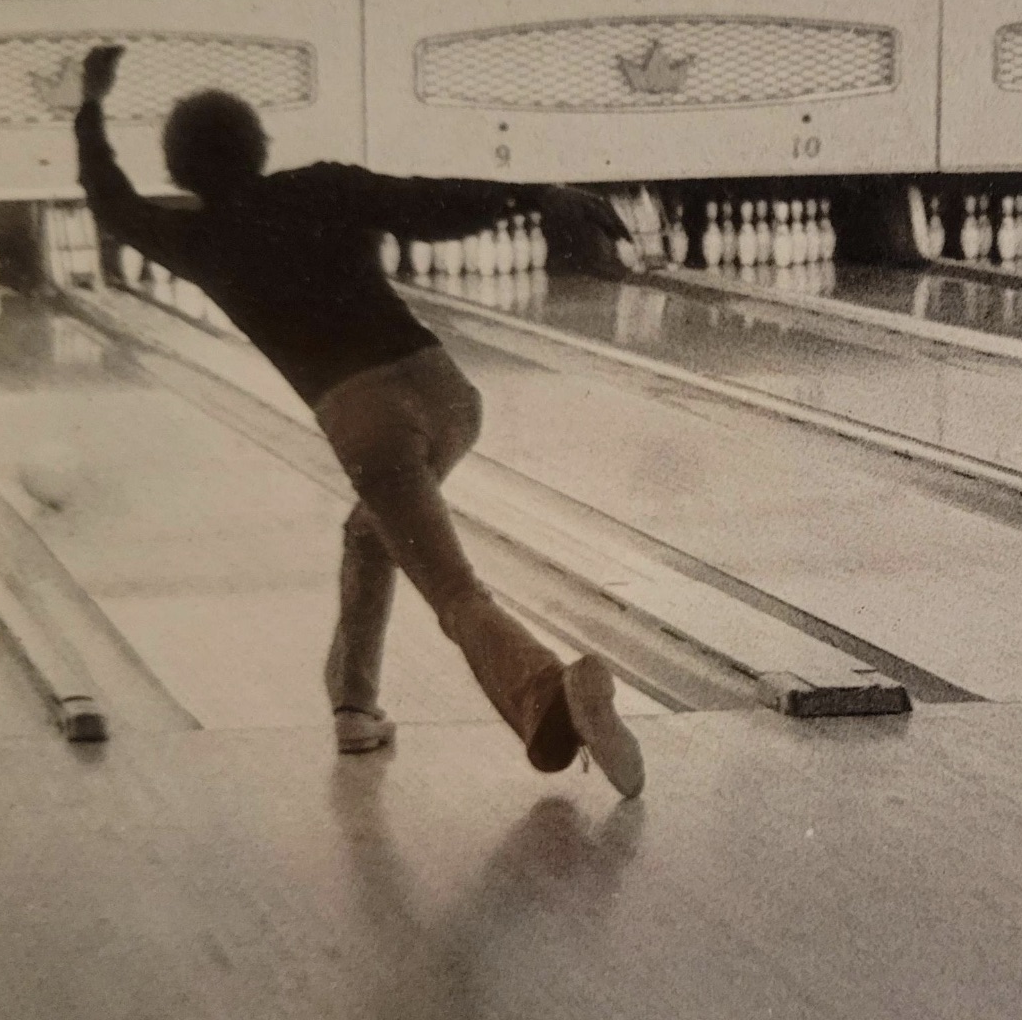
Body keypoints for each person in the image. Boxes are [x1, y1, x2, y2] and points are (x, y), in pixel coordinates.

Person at [73, 43, 644, 796]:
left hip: (367, 422)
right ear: (261, 146)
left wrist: (91, 103)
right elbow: (430, 203)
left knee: (455, 593)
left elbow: (110, 201)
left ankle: (546, 687)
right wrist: (535, 194)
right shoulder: (324, 186)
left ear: (180, 173)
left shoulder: (196, 237)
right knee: (368, 532)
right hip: (447, 393)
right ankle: (354, 706)